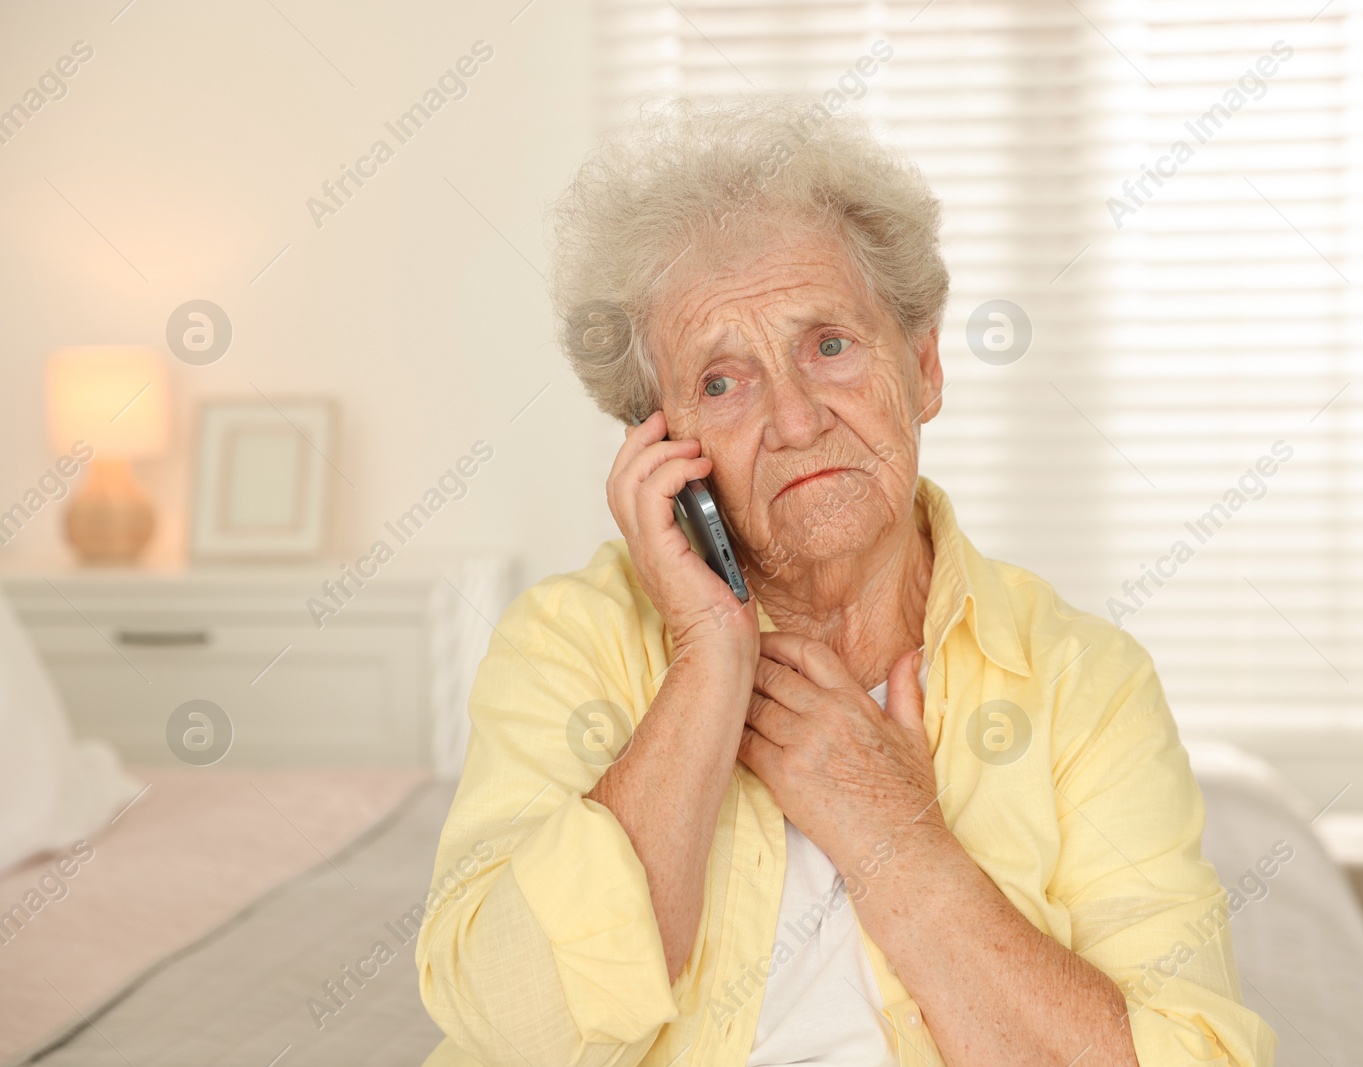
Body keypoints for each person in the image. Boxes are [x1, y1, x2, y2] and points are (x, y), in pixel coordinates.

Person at [416, 97, 1277, 1067]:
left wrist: (895, 837)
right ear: (660, 444)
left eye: (829, 345)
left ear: (923, 366)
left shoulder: (1082, 677)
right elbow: (511, 1029)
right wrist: (706, 664)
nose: (793, 417)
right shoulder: (568, 642)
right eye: (723, 380)